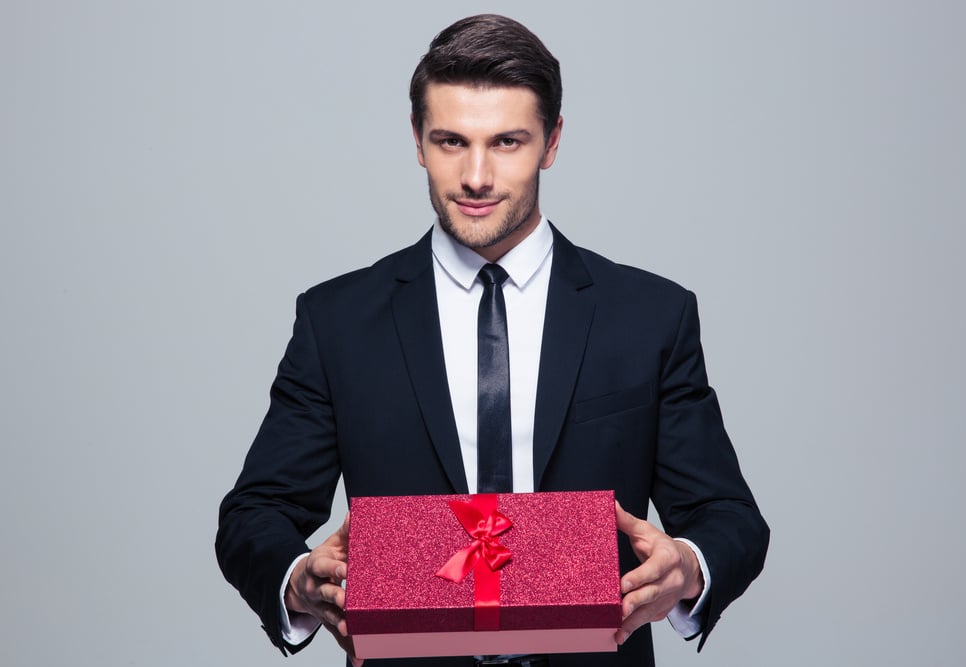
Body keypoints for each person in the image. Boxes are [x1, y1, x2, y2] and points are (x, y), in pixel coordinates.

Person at [216, 13, 768, 667]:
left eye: (506, 142)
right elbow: (254, 512)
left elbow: (729, 517)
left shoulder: (650, 316)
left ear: (552, 141)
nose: (477, 176)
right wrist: (298, 579)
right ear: (418, 140)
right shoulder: (336, 321)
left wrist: (688, 569)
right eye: (452, 141)